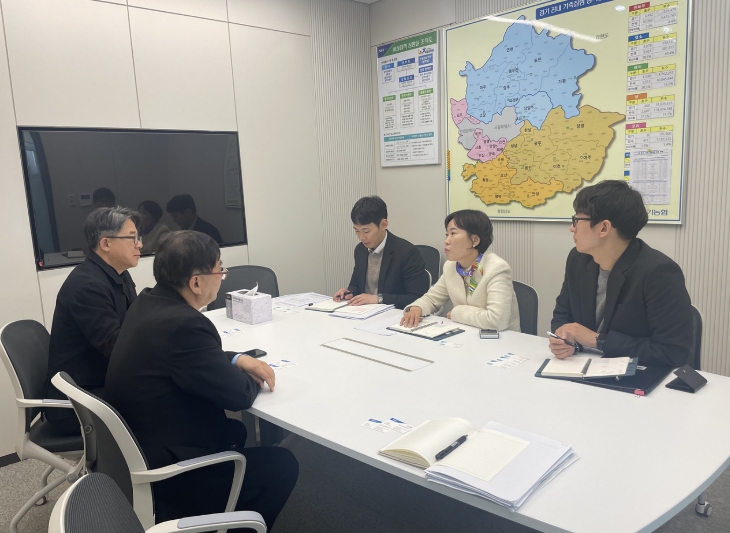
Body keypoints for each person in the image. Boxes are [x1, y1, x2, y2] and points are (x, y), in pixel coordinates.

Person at [104, 231, 298, 527]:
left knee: (236, 431)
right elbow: (238, 396)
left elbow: (188, 357)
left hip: (138, 450)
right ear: (196, 282)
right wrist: (248, 374)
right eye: (220, 270)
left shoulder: (148, 302)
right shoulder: (186, 325)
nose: (223, 277)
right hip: (171, 471)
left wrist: (235, 358)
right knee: (284, 465)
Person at [549, 180, 693, 367]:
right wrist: (565, 339)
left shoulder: (659, 273)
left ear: (604, 228)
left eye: (577, 220)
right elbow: (562, 314)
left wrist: (597, 340)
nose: (572, 228)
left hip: (636, 374)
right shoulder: (578, 259)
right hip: (581, 366)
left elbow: (672, 352)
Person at [44, 207, 142, 436]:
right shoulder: (89, 287)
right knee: (168, 398)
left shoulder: (118, 273)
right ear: (106, 243)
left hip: (101, 382)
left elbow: (136, 324)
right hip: (78, 402)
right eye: (132, 238)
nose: (140, 245)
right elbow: (117, 349)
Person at [400, 209, 520, 331]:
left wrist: (456, 312)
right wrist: (417, 308)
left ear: (475, 240)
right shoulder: (451, 266)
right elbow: (432, 299)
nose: (446, 241)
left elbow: (497, 321)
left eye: (453, 233)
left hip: (500, 338)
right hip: (467, 333)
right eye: (447, 235)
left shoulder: (496, 268)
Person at [333, 196, 428, 310]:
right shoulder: (360, 250)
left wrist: (378, 299)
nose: (361, 237)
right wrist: (349, 292)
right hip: (363, 312)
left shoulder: (407, 253)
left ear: (383, 224)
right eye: (357, 231)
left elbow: (417, 298)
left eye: (366, 231)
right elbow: (356, 284)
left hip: (394, 314)